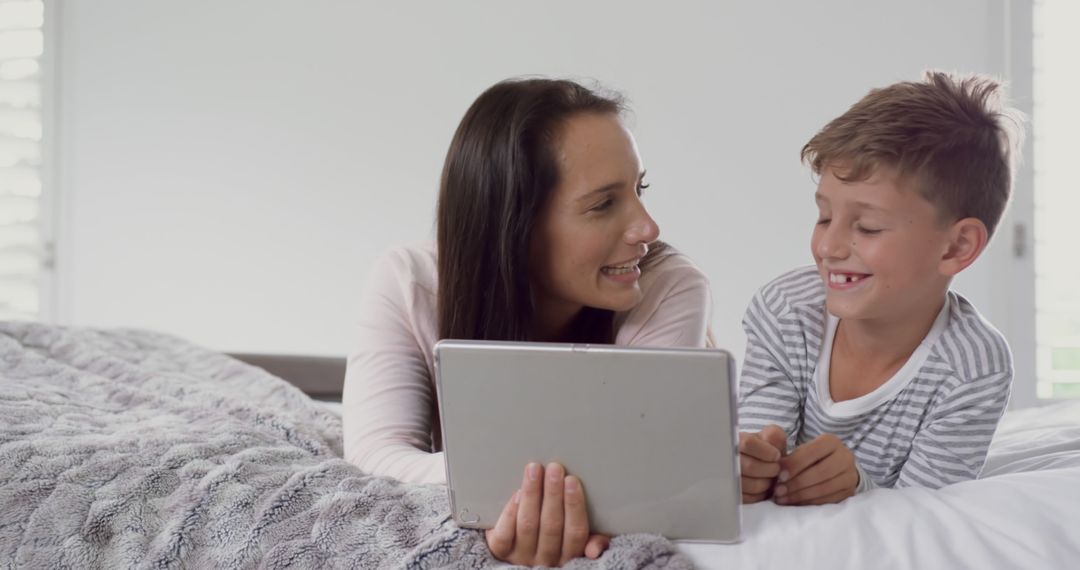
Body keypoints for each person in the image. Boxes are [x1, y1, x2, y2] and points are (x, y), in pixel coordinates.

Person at [343, 78, 712, 565]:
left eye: (639, 188)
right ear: (513, 224)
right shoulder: (411, 282)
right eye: (604, 203)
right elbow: (376, 462)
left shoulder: (669, 287)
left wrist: (513, 494)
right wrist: (538, 497)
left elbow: (650, 475)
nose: (648, 227)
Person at [738, 71, 1025, 506]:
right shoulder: (785, 310)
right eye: (823, 217)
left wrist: (856, 486)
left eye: (867, 226)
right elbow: (756, 458)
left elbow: (925, 512)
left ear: (957, 246)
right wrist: (748, 469)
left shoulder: (973, 368)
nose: (828, 246)